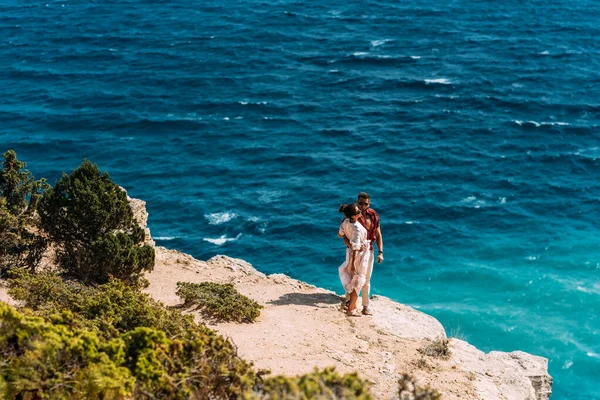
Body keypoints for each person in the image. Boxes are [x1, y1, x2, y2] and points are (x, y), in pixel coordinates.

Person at [340, 192, 383, 315]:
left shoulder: (373, 215)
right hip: (355, 251)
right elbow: (344, 236)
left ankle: (365, 306)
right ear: (357, 202)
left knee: (366, 279)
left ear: (369, 203)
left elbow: (378, 234)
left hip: (368, 251)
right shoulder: (351, 216)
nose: (363, 206)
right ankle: (348, 302)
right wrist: (354, 247)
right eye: (360, 203)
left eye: (366, 204)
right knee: (351, 275)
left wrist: (380, 252)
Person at [337, 203, 370, 316]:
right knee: (357, 281)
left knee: (352, 279)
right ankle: (351, 309)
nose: (360, 212)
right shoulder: (357, 228)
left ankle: (352, 304)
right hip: (359, 256)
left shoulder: (345, 222)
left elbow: (340, 234)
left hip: (349, 253)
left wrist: (349, 243)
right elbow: (356, 248)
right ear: (353, 216)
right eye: (358, 212)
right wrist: (354, 265)